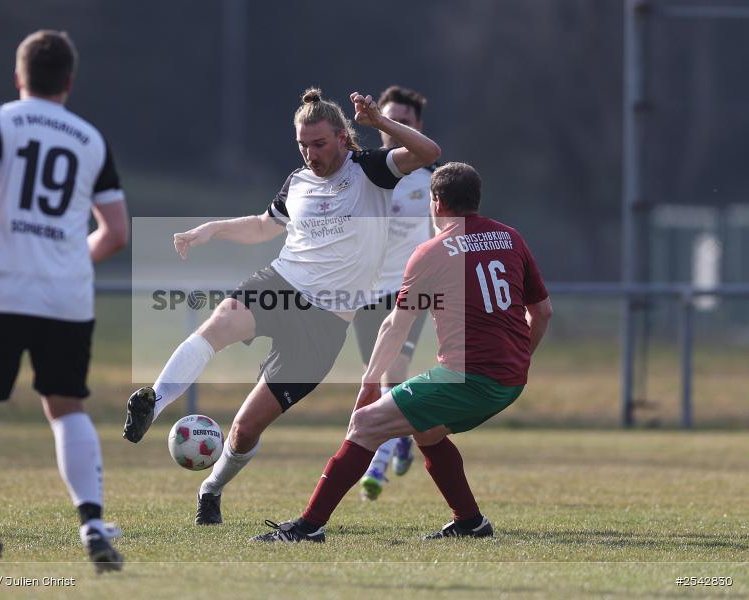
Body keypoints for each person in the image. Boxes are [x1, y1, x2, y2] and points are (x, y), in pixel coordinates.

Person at [123, 88, 440, 526]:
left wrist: (381, 124)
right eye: (302, 145)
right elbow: (261, 226)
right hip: (281, 284)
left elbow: (429, 151)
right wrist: (211, 230)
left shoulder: (371, 170)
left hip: (325, 324)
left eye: (319, 143)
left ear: (343, 138)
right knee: (217, 326)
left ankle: (210, 489)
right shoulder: (297, 181)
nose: (310, 154)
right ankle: (153, 402)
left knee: (245, 428)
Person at [251, 162, 553, 543]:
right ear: (475, 200)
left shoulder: (431, 251)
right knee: (425, 431)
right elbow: (542, 311)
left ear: (437, 202)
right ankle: (471, 523)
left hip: (467, 378)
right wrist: (519, 358)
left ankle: (307, 527)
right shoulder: (511, 238)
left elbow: (397, 324)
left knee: (365, 425)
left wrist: (369, 381)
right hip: (510, 380)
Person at [0, 30, 129, 573]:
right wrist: (64, 258)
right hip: (67, 297)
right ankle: (92, 523)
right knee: (66, 406)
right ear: (69, 82)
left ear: (20, 78)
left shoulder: (0, 119)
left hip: (1, 288)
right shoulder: (91, 139)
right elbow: (116, 232)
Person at [354, 85, 437, 501]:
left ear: (417, 126)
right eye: (391, 121)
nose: (397, 129)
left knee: (391, 373)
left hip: (409, 293)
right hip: (366, 293)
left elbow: (447, 238)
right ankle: (403, 437)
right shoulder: (363, 175)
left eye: (406, 122)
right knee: (380, 379)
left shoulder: (430, 182)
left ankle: (378, 467)